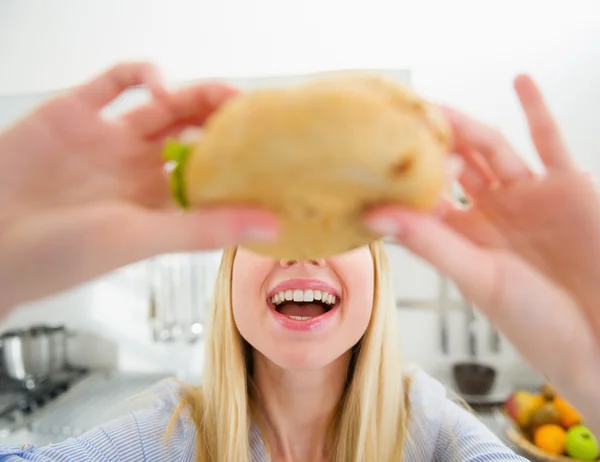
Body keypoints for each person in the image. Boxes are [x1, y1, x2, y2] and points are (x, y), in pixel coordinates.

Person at [0, 61, 597, 461]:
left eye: (335, 227)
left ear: (379, 269)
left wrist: (591, 355)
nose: (301, 249)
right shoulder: (166, 438)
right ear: (227, 273)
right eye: (268, 225)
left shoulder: (434, 435)